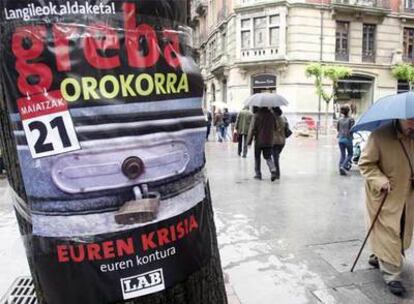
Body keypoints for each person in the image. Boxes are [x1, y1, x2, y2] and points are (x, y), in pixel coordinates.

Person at [358, 119, 414, 296]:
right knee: (389, 231)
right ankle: (392, 275)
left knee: (403, 229)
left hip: (408, 195)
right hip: (385, 195)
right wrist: (380, 180)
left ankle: (378, 255)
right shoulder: (379, 136)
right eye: (411, 120)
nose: (413, 124)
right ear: (400, 117)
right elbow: (366, 164)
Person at [247, 107, 277, 181]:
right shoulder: (272, 115)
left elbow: (252, 129)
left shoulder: (256, 115)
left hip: (259, 141)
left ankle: (258, 174)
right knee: (268, 157)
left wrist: (249, 141)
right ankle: (273, 169)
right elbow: (275, 127)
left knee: (257, 157)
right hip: (269, 140)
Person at [337, 105, 354, 176]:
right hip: (348, 139)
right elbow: (352, 129)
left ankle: (340, 168)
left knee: (342, 154)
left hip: (340, 139)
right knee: (350, 154)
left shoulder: (339, 120)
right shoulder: (351, 119)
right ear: (348, 111)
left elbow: (338, 129)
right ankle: (343, 166)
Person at [271, 107, 287, 179]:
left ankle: (277, 174)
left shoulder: (274, 120)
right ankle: (277, 173)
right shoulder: (284, 119)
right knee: (276, 157)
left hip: (275, 141)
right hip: (282, 141)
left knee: (275, 158)